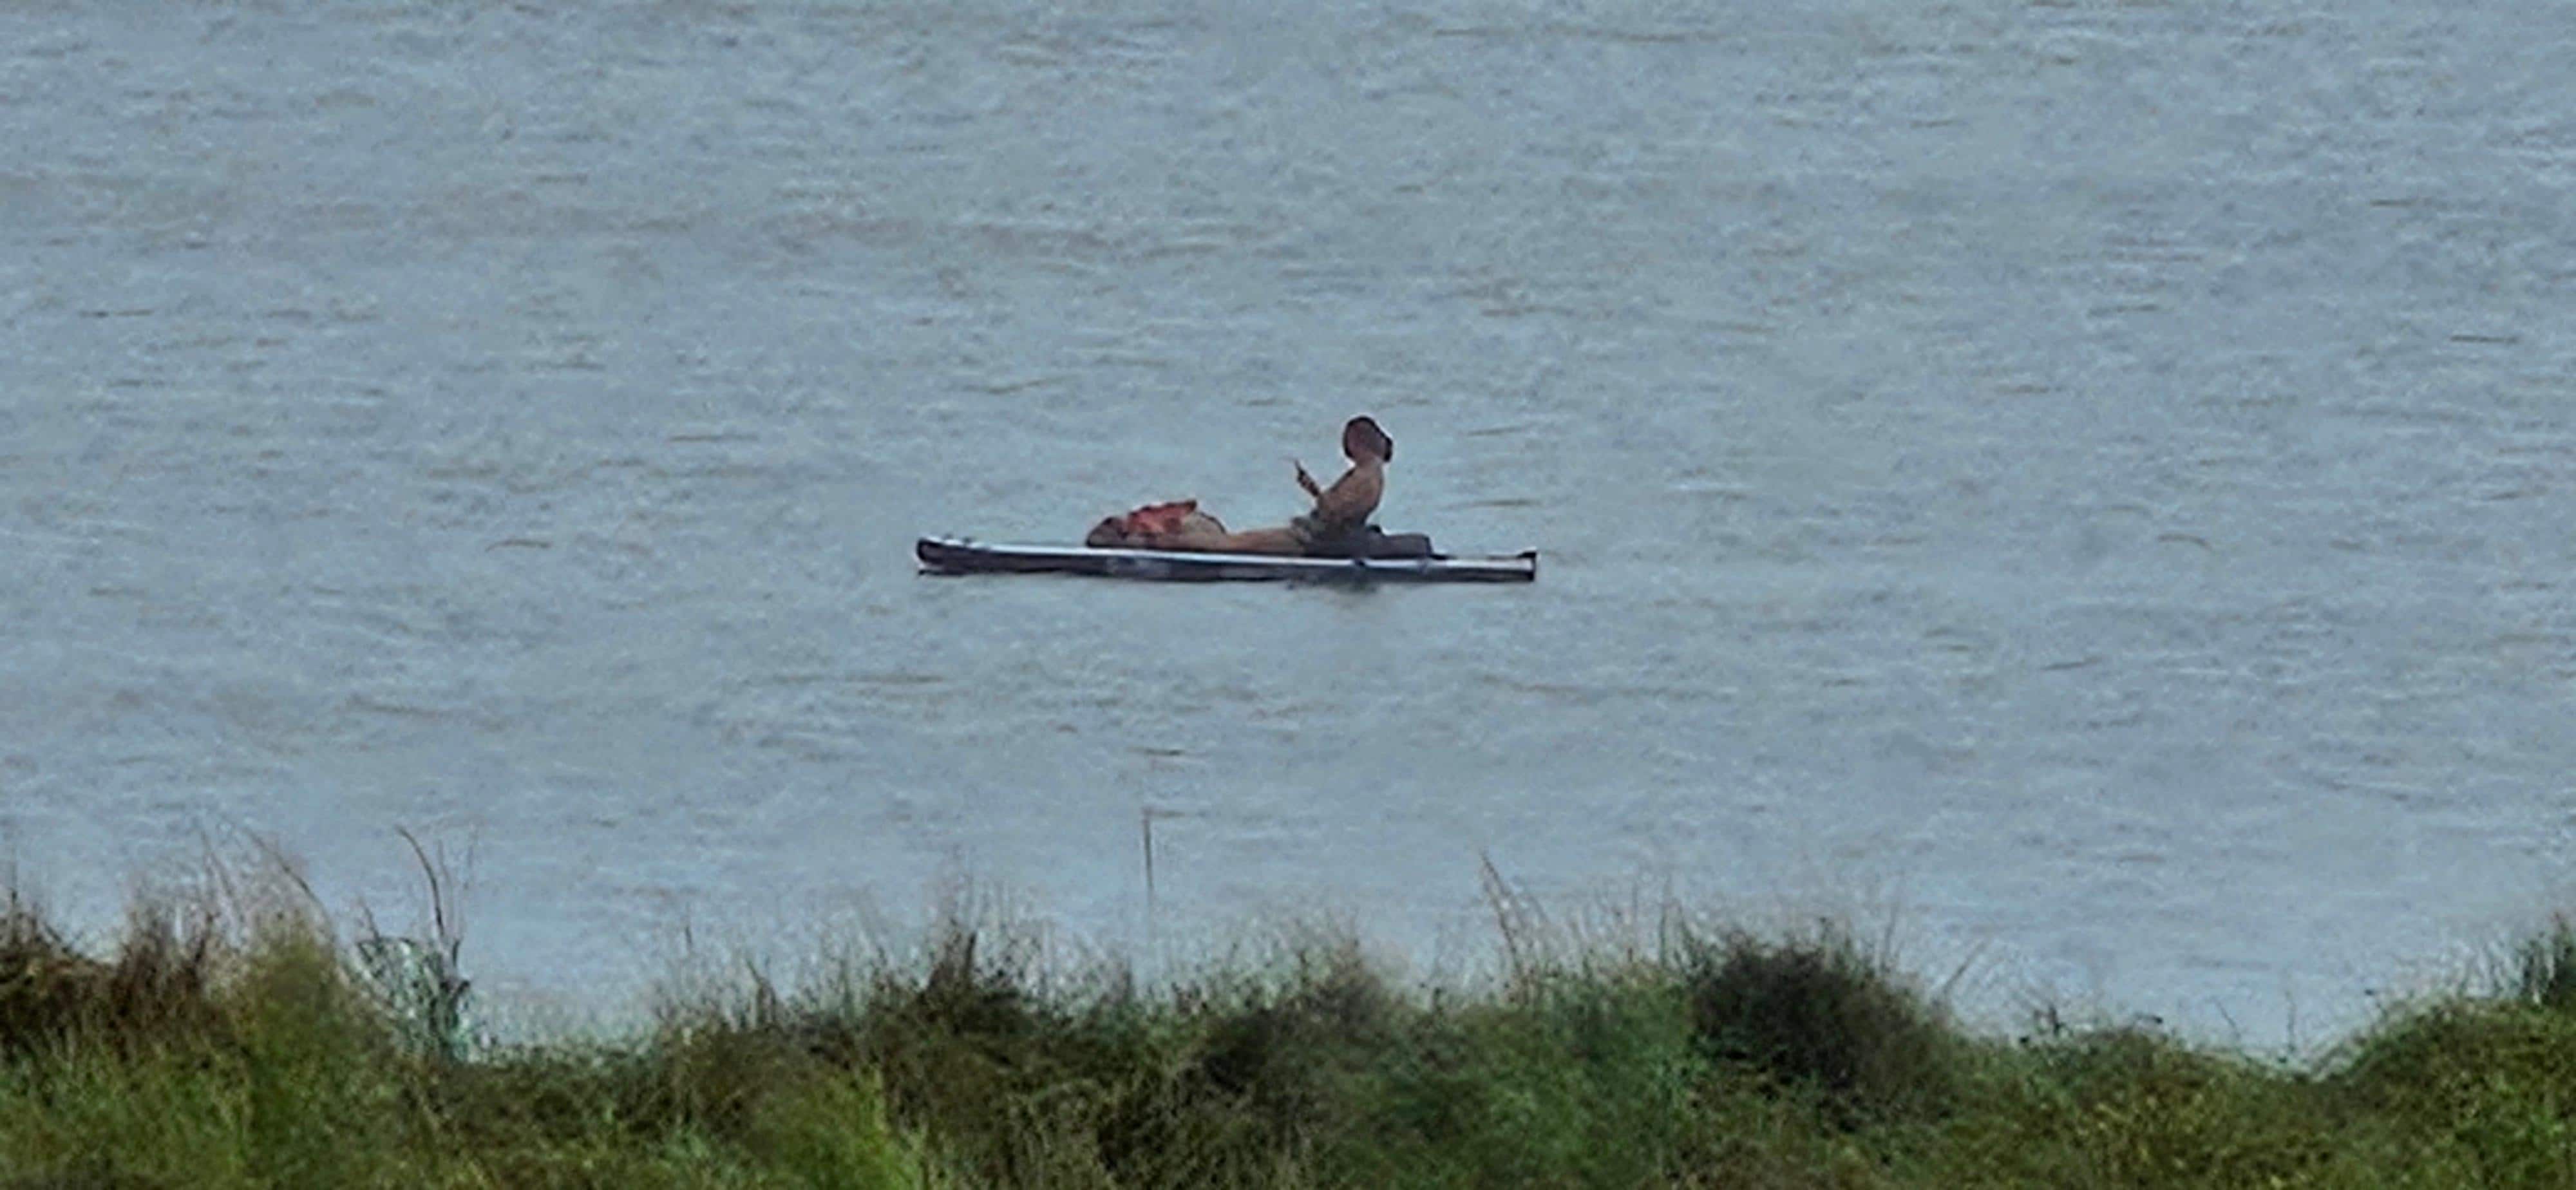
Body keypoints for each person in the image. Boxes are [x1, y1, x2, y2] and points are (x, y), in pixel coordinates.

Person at [1086, 417, 1394, 555]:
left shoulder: (1368, 477)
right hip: (1307, 534)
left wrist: (1313, 489)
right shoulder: (1368, 473)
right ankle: (1176, 533)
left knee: (1230, 546)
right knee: (1234, 539)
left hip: (1308, 542)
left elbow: (1337, 513)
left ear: (1358, 442)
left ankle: (1158, 543)